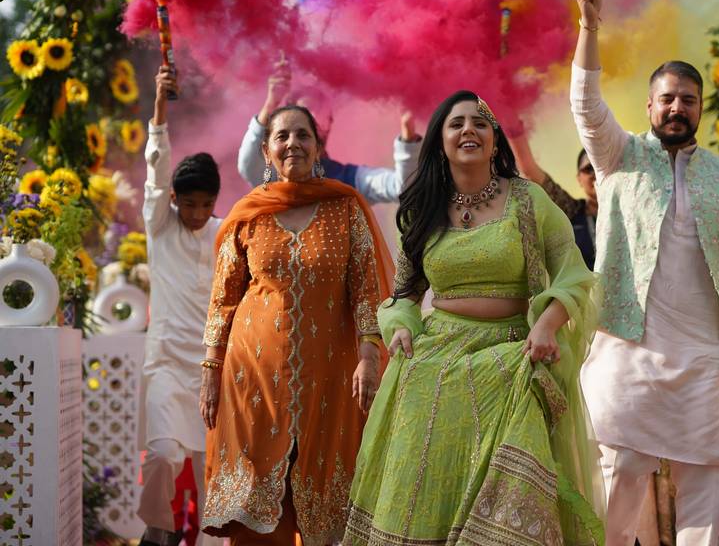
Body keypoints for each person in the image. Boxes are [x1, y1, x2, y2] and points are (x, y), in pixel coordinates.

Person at [570, 0, 719, 546]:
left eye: (688, 99)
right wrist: (589, 24)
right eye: (667, 99)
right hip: (628, 349)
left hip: (705, 355)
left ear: (700, 108)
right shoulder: (618, 157)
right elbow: (585, 103)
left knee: (706, 487)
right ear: (650, 105)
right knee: (622, 479)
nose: (676, 108)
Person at [343, 91, 605, 546]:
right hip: (436, 367)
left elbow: (574, 276)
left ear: (494, 138)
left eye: (480, 123)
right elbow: (405, 292)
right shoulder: (422, 208)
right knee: (425, 489)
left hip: (512, 362)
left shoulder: (528, 200)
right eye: (457, 123)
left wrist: (545, 324)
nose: (469, 130)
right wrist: (401, 325)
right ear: (440, 141)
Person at [199, 104, 395, 545]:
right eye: (282, 136)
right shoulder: (249, 214)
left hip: (331, 378)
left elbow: (366, 287)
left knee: (325, 495)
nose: (293, 143)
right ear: (266, 152)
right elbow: (223, 297)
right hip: (251, 378)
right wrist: (211, 370)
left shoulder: (344, 208)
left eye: (303, 135)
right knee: (257, 499)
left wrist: (368, 355)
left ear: (318, 146)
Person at [138, 66, 222, 546]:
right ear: (173, 200)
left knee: (208, 470)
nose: (195, 214)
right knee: (165, 456)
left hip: (212, 370)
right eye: (187, 204)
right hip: (168, 367)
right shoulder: (161, 226)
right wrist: (158, 104)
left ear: (215, 201)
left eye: (204, 204)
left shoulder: (225, 231)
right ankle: (155, 535)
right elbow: (156, 160)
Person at [237, 56, 422, 202]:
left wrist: (408, 134)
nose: (310, 121)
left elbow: (404, 189)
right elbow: (248, 165)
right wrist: (271, 105)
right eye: (303, 113)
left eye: (318, 113)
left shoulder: (347, 181)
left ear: (330, 123)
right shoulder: (274, 175)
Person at [508, 132, 598, 269]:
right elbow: (530, 171)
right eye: (588, 169)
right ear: (579, 179)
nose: (595, 173)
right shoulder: (571, 211)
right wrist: (513, 127)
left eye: (599, 166)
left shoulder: (630, 207)